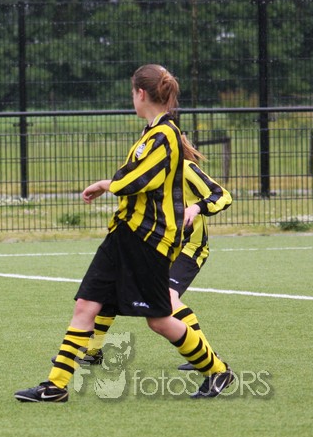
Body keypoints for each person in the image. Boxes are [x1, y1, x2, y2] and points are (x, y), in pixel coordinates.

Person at [15, 64, 234, 403]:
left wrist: (106, 184)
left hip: (148, 240)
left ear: (141, 93)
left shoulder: (166, 134)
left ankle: (217, 370)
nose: (132, 98)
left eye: (133, 93)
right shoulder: (152, 133)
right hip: (123, 234)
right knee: (86, 305)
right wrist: (110, 185)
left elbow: (138, 179)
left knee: (159, 320)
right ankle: (55, 386)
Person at [75, 136, 233, 372]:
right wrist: (103, 185)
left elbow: (222, 195)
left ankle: (207, 356)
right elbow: (128, 188)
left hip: (188, 248)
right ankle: (92, 351)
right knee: (110, 289)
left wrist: (196, 207)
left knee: (168, 298)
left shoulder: (185, 168)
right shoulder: (148, 172)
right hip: (156, 246)